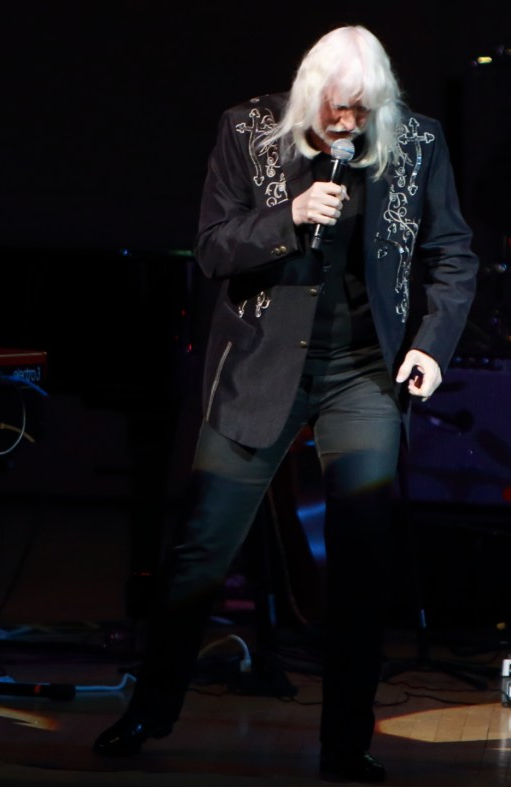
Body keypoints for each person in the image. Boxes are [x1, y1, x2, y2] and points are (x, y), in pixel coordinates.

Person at [93, 24, 479, 783]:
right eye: (337, 109)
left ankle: (345, 742)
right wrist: (291, 216)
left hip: (363, 372)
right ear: (310, 94)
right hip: (259, 369)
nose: (348, 123)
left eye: (363, 111)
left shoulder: (419, 141)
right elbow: (213, 247)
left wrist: (432, 346)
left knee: (360, 559)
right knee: (201, 549)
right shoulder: (248, 129)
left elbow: (452, 252)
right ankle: (149, 709)